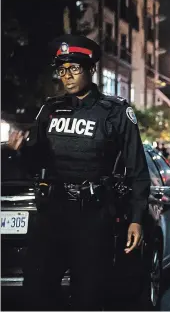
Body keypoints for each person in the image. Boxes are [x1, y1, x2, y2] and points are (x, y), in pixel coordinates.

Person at [7, 35, 150, 310]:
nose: (67, 76)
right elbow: (34, 164)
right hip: (52, 214)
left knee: (89, 294)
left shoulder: (115, 112)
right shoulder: (50, 110)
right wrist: (20, 150)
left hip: (94, 217)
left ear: (90, 69)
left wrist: (136, 218)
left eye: (74, 69)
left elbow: (137, 170)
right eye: (62, 70)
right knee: (36, 289)